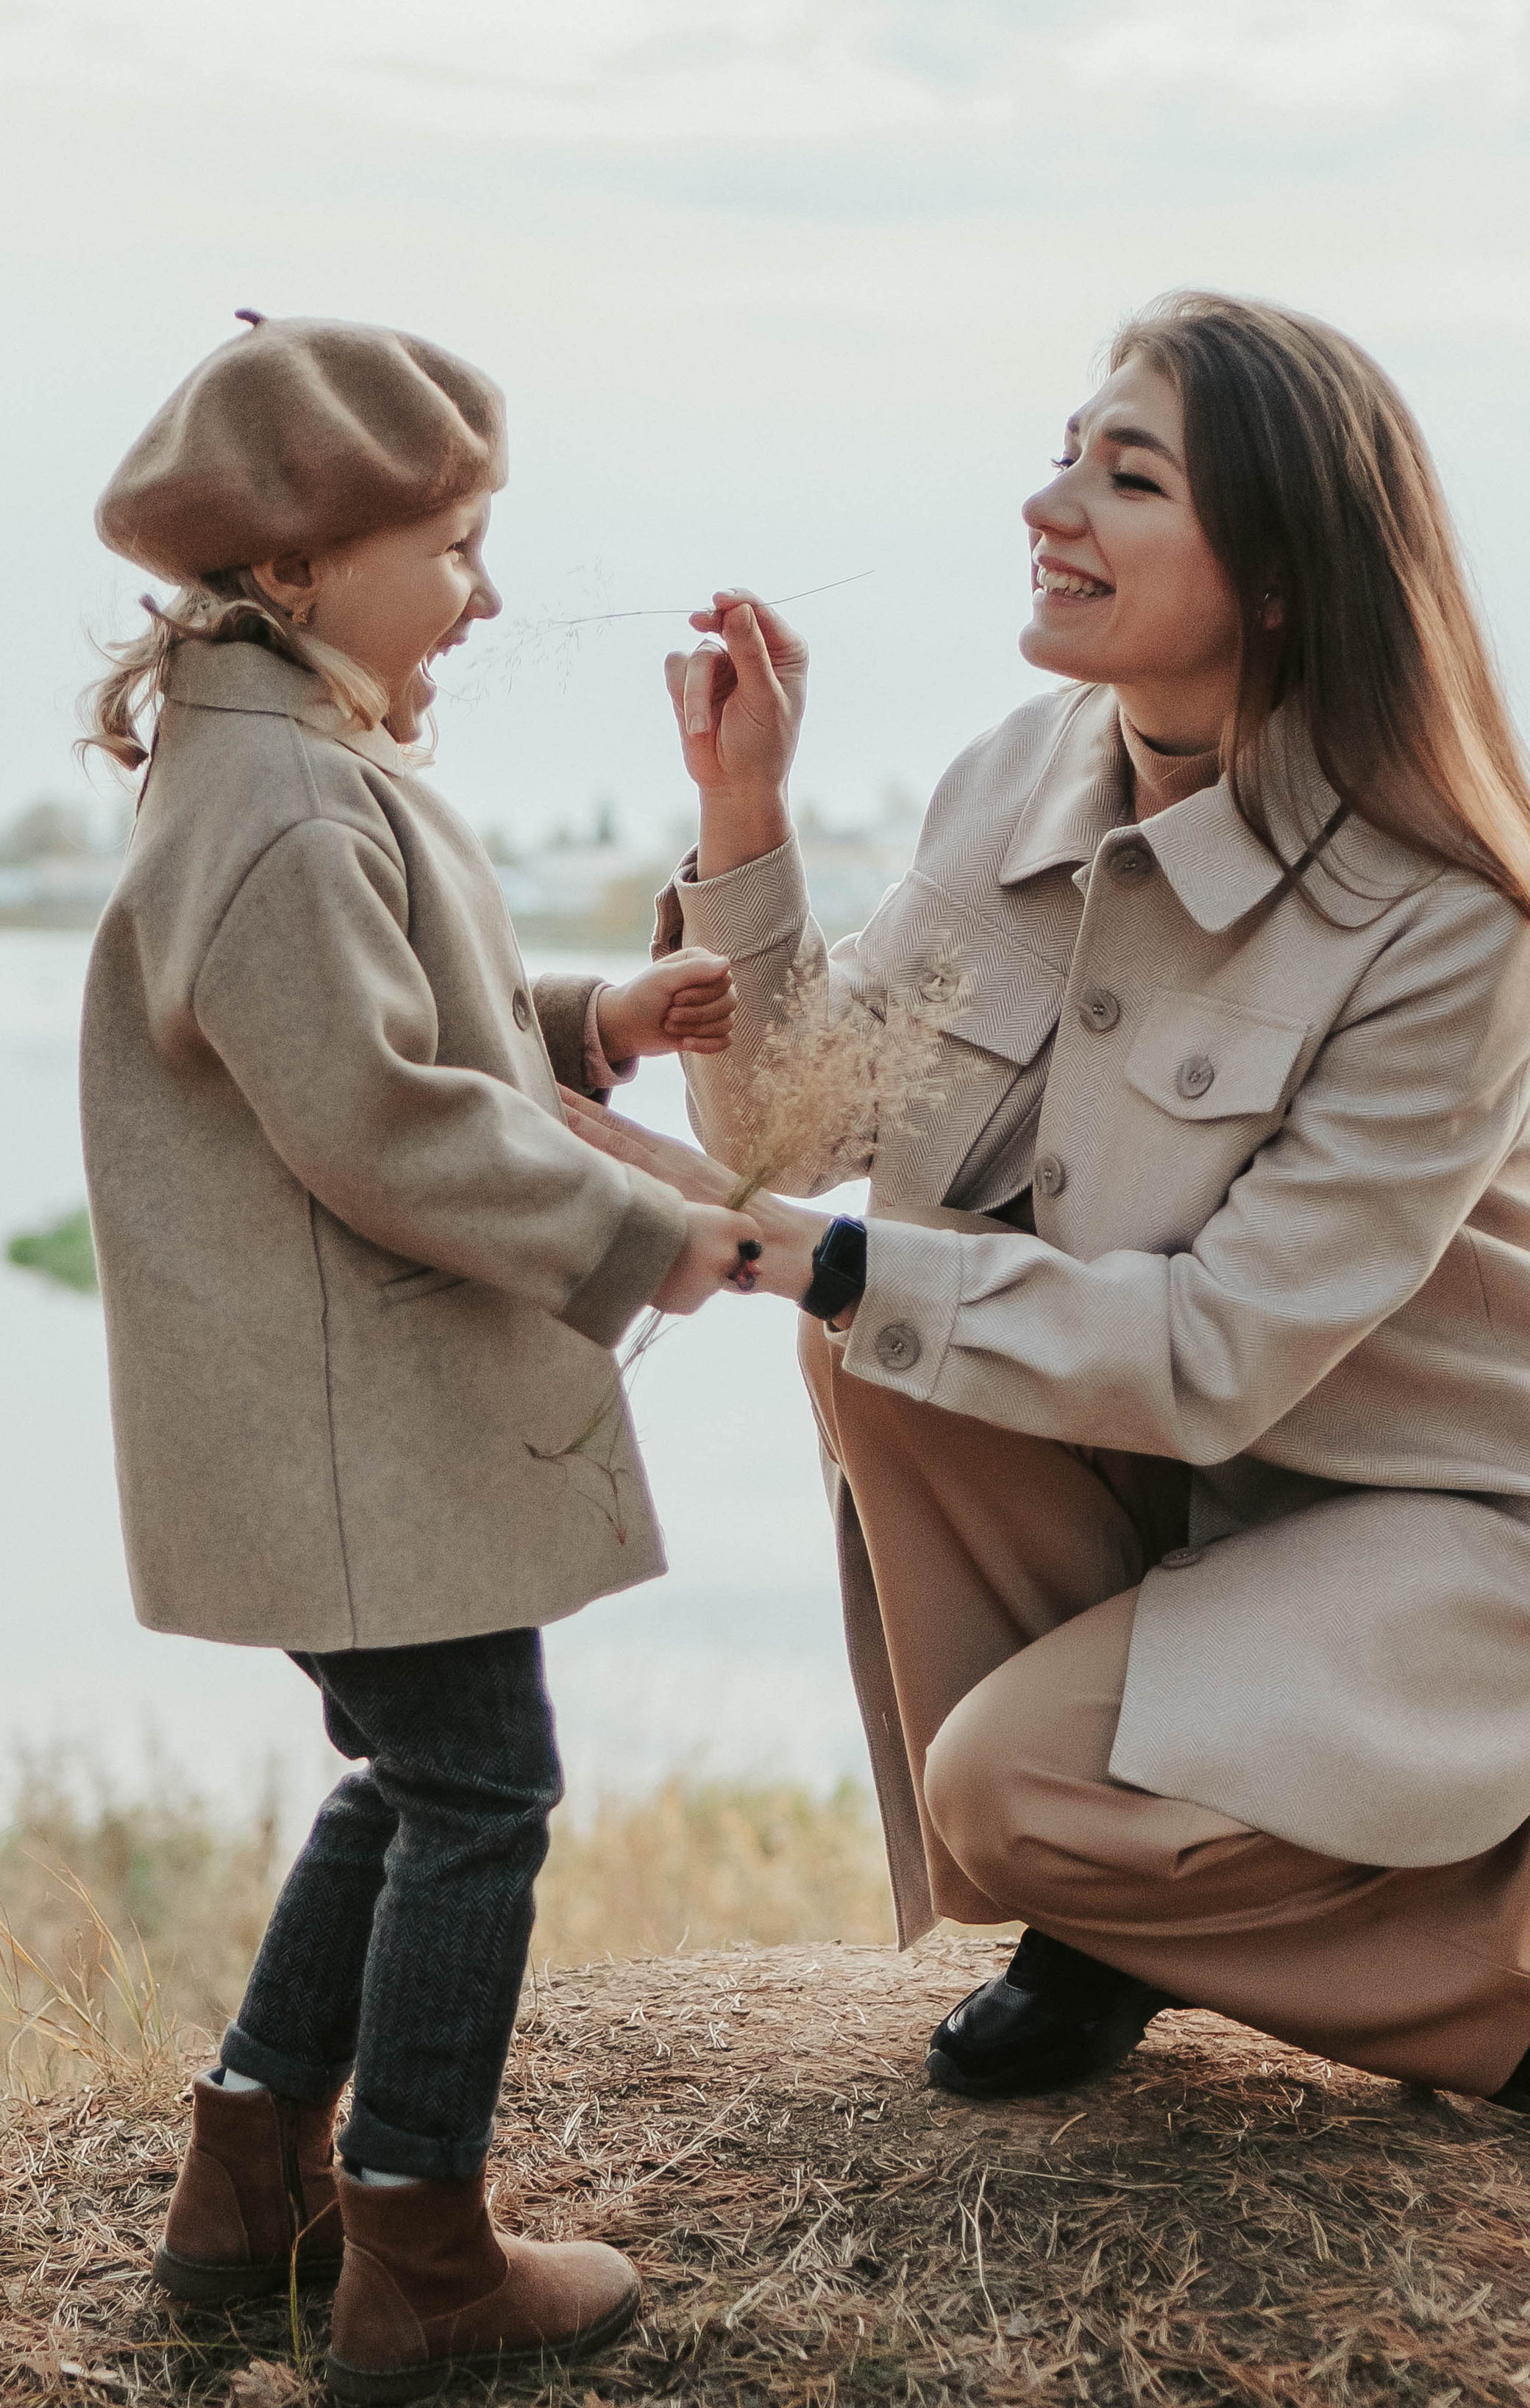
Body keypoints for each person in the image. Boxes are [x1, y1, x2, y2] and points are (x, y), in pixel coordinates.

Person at [563, 290, 1530, 2123]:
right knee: (881, 1339)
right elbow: (791, 1135)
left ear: (1280, 578)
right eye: (1062, 454)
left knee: (1001, 1786)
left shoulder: (1447, 919)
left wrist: (807, 1252)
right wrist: (742, 817)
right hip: (1149, 1461)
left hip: (1414, 1502)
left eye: (1125, 476)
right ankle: (1102, 1907)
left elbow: (1214, 1354)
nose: (1049, 504)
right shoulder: (1014, 776)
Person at [79, 310, 758, 2401]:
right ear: (298, 564)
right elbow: (372, 1113)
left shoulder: (282, 761)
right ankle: (422, 2250)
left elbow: (387, 1017)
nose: (483, 587)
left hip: (326, 1413)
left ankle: (248, 2172)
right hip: (342, 1416)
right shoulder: (280, 795)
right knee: (485, 1787)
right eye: (453, 543)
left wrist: (588, 1025)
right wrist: (656, 1229)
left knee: (417, 1764)